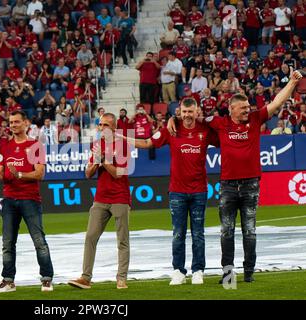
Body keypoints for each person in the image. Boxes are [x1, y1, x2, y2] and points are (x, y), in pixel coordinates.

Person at [167, 70, 303, 284]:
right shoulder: (219, 123)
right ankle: (228, 275)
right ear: (231, 109)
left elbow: (277, 102)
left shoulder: (256, 118)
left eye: (248, 107)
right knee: (226, 232)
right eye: (243, 108)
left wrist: (293, 83)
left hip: (251, 185)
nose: (247, 111)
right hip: (228, 186)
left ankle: (249, 273)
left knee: (250, 231)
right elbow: (190, 116)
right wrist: (172, 119)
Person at [121, 98, 218, 285]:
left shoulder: (205, 130)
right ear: (179, 112)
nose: (188, 115)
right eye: (185, 112)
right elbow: (148, 142)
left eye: (191, 111)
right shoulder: (171, 129)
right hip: (177, 191)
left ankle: (198, 270)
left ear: (197, 111)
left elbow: (224, 139)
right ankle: (178, 271)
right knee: (178, 233)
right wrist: (124, 138)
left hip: (199, 190)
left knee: (198, 233)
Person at [0, 110, 54, 293]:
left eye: (17, 122)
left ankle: (47, 279)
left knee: (39, 240)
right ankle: (8, 281)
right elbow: (2, 174)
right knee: (7, 243)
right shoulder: (4, 146)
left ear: (26, 123)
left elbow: (40, 173)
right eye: (11, 122)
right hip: (9, 199)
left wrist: (20, 174)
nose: (13, 125)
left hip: (30, 199)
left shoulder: (35, 145)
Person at [68, 112, 131, 290]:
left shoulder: (123, 145)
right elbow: (88, 174)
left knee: (122, 240)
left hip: (119, 196)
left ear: (114, 128)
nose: (101, 128)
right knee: (90, 236)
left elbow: (118, 174)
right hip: (101, 198)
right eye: (100, 125)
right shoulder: (97, 144)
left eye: (105, 125)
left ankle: (121, 278)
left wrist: (103, 159)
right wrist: (96, 162)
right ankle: (86, 277)